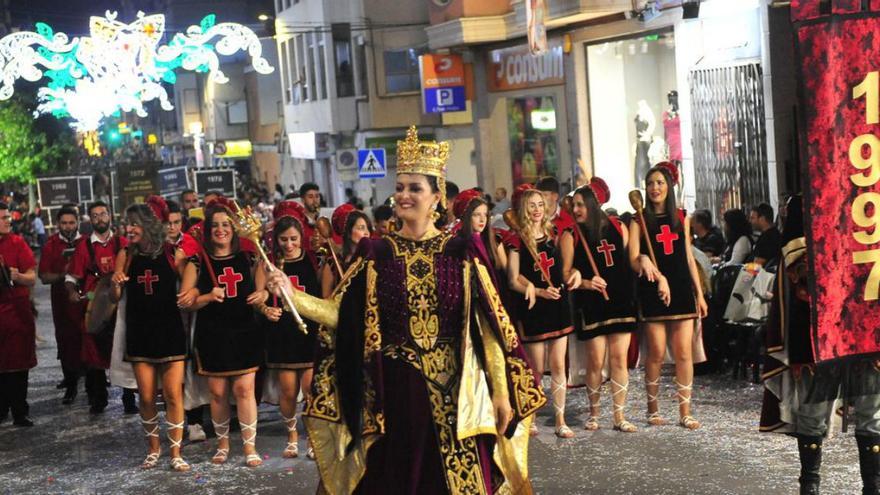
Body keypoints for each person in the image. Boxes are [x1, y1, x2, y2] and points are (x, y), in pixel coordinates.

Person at [265, 126, 545, 494]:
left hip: (458, 395)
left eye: (415, 188)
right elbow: (341, 315)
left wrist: (500, 392)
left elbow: (488, 327)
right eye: (400, 187)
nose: (404, 195)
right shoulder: (377, 253)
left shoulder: (461, 251)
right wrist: (291, 294)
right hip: (396, 394)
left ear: (436, 196)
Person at [760, 195, 880, 495]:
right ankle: (810, 486)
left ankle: (873, 486)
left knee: (872, 414)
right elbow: (797, 297)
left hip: (865, 337)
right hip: (820, 342)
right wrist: (801, 351)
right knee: (813, 415)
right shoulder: (804, 202)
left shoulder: (869, 200)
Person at [178, 199, 265, 467]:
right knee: (217, 392)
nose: (220, 230)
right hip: (212, 332)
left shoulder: (248, 256)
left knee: (244, 389)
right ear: (207, 230)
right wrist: (207, 295)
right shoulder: (197, 262)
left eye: (226, 224)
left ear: (234, 227)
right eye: (215, 225)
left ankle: (250, 447)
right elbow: (186, 301)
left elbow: (263, 272)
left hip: (243, 328)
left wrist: (262, 292)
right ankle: (223, 444)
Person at [110, 198, 190, 471]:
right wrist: (115, 283)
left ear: (146, 225)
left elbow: (190, 277)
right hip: (140, 330)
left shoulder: (172, 252)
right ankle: (154, 449)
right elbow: (114, 296)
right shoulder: (126, 254)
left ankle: (176, 452)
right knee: (145, 396)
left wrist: (192, 293)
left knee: (173, 395)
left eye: (133, 224)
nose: (128, 229)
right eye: (126, 224)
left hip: (169, 329)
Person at [628, 162, 708, 430]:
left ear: (669, 187)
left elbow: (687, 256)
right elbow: (632, 260)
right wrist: (643, 259)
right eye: (650, 183)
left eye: (660, 183)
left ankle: (685, 411)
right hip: (653, 290)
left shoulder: (681, 216)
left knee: (684, 353)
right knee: (657, 354)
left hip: (682, 288)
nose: (654, 188)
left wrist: (700, 294)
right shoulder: (638, 220)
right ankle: (653, 409)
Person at [561, 179, 638, 433]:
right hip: (591, 303)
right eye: (575, 205)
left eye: (581, 205)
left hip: (620, 300)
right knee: (595, 361)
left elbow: (630, 261)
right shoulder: (571, 235)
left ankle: (619, 415)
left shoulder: (618, 227)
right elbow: (566, 273)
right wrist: (584, 281)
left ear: (593, 205)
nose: (576, 210)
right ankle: (594, 413)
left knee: (619, 360)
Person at [507, 186, 579, 439]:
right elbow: (514, 280)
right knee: (536, 367)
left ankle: (560, 419)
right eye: (532, 205)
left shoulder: (555, 234)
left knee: (559, 364)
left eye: (540, 204)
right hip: (534, 307)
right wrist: (538, 291)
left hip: (558, 303)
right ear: (523, 209)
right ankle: (532, 417)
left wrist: (576, 274)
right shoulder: (516, 240)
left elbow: (568, 266)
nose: (537, 210)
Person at [254, 201, 320, 459]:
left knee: (311, 389)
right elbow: (258, 297)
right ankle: (292, 436)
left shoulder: (314, 260)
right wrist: (265, 309)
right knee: (289, 390)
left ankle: (312, 438)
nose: (289, 244)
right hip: (281, 330)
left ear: (302, 237)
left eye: (294, 239)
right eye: (284, 239)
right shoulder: (268, 264)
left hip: (307, 329)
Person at [65, 201, 129, 414]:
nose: (100, 218)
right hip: (95, 305)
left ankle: (130, 400)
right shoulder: (83, 246)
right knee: (93, 354)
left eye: (103, 214)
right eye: (95, 215)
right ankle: (98, 399)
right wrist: (73, 292)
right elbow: (71, 277)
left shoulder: (123, 243)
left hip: (121, 305)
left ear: (110, 215)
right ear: (90, 220)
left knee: (125, 351)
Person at [38, 206, 84, 405]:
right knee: (66, 342)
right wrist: (63, 274)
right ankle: (71, 384)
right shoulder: (50, 245)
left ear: (77, 223)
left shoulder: (86, 242)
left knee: (88, 338)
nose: (68, 227)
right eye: (64, 223)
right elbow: (43, 276)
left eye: (71, 223)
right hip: (62, 303)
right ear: (58, 224)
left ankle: (95, 382)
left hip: (84, 301)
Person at [0, 201, 37, 427]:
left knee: (18, 363)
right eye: (3, 218)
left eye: (7, 218)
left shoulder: (17, 242)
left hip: (16, 311)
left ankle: (20, 411)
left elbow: (32, 277)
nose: (8, 221)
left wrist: (16, 276)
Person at [320, 204, 371, 298]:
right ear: (348, 233)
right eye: (361, 228)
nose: (367, 233)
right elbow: (326, 298)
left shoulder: (373, 259)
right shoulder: (333, 264)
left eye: (368, 228)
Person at [535, 176, 575, 240]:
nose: (540, 199)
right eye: (538, 195)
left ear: (555, 196)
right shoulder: (533, 219)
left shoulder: (569, 219)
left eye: (544, 195)